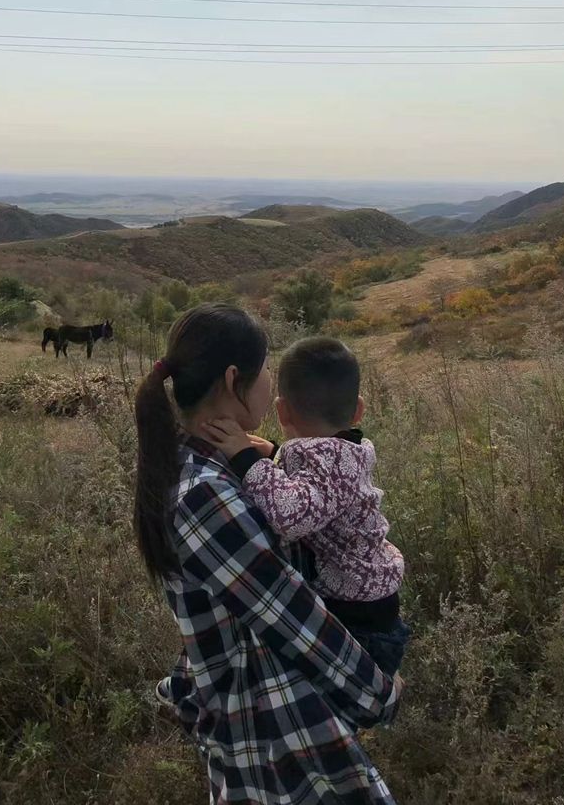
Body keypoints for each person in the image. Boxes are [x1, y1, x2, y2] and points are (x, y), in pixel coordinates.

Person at [134, 304, 401, 805]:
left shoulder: (211, 469)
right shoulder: (204, 496)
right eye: (265, 375)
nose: (272, 391)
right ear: (235, 381)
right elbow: (291, 616)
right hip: (275, 743)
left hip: (283, 726)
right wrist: (381, 693)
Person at [203, 337, 410, 680]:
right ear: (358, 409)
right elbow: (319, 480)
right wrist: (274, 453)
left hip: (358, 613)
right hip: (371, 599)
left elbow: (292, 515)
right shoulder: (346, 450)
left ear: (282, 411)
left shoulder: (330, 459)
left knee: (349, 696)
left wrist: (244, 458)